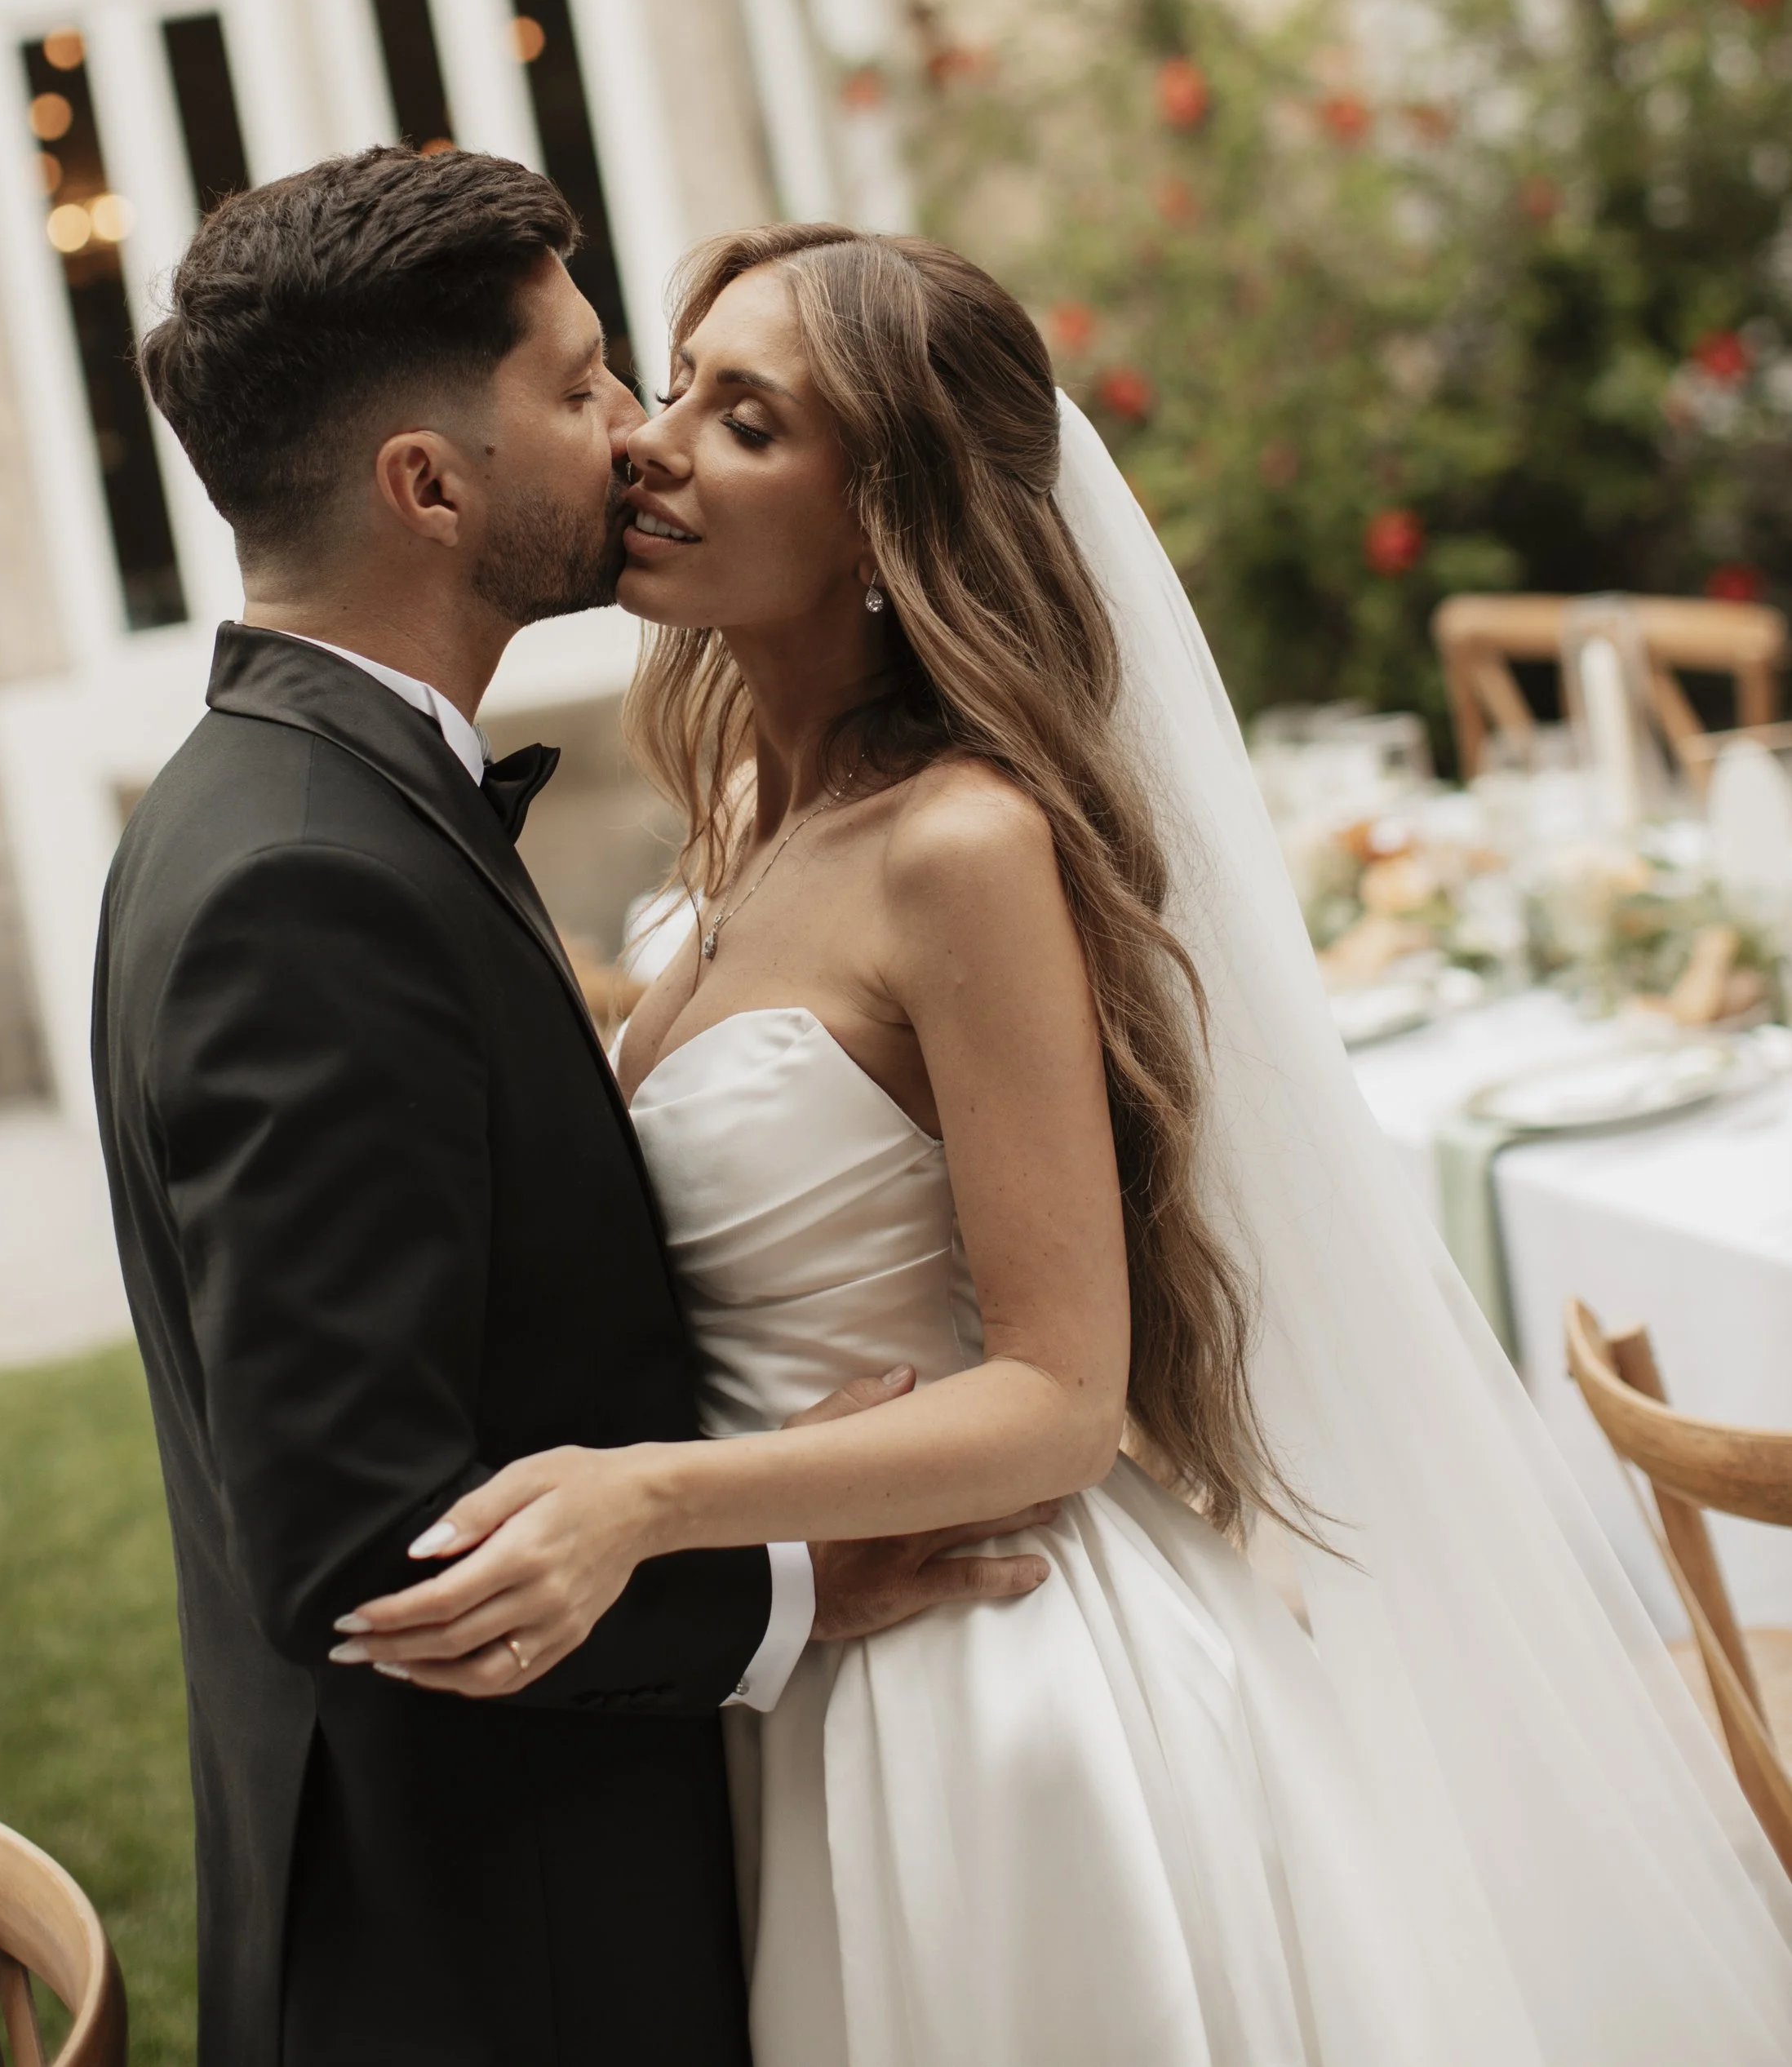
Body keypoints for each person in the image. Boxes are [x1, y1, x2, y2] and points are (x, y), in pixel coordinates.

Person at [347, 223, 1792, 2066]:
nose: (655, 443)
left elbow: (1057, 1393)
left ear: (890, 519)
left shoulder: (961, 850)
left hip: (990, 1706)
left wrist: (650, 1502)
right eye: (675, 381)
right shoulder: (731, 822)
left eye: (749, 420)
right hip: (797, 1663)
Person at [92, 153, 1048, 2067]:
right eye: (588, 382)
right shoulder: (309, 876)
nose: (636, 434)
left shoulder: (295, 798)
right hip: (497, 1951)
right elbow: (361, 1548)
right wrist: (778, 1581)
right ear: (428, 487)